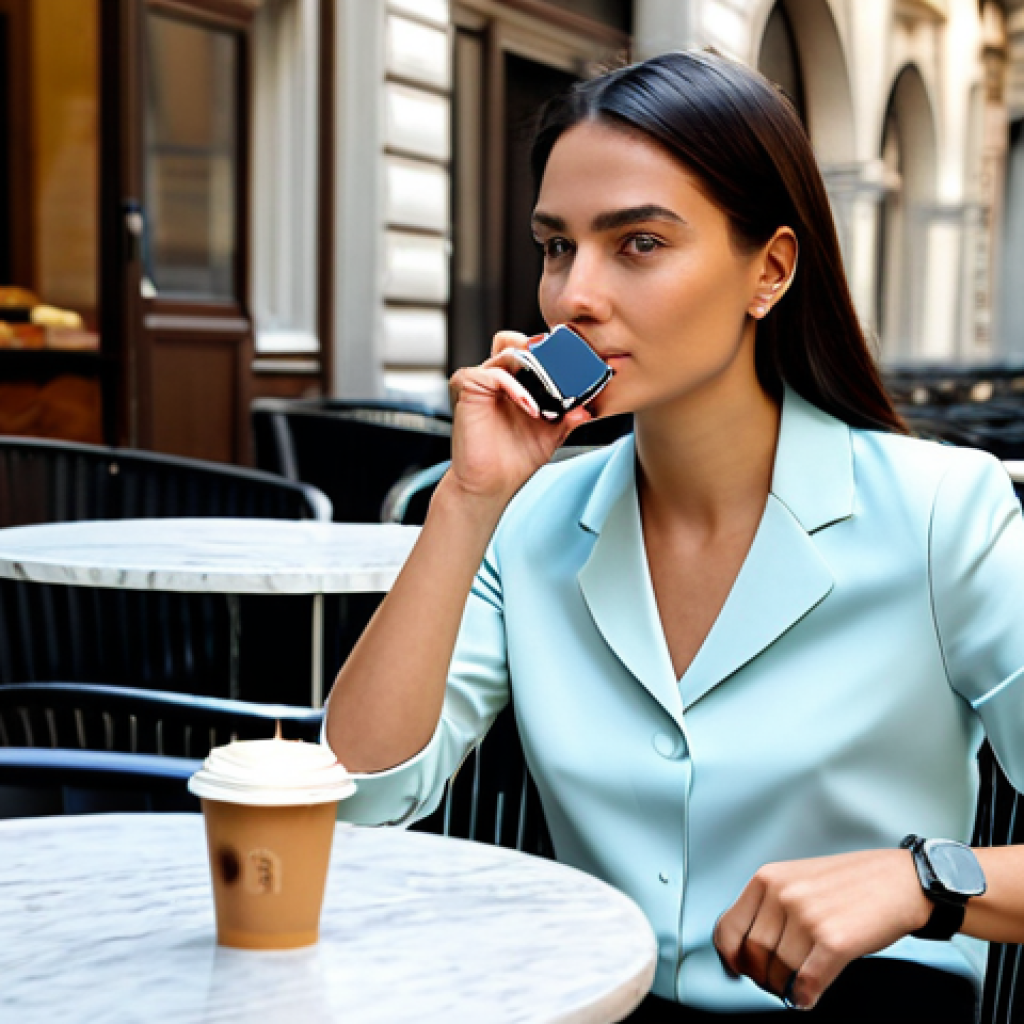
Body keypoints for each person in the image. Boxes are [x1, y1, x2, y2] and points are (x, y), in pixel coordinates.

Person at [324, 50, 1024, 1021]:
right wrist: (467, 501)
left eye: (639, 243)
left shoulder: (945, 511)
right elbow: (357, 799)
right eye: (556, 246)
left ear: (769, 270)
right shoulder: (528, 521)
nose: (574, 295)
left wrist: (922, 882)